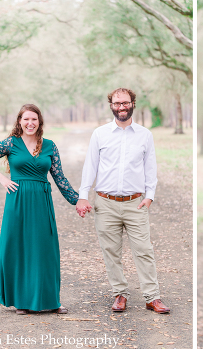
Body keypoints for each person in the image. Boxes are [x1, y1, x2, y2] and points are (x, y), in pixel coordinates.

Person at [75, 88, 169, 314]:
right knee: (111, 251)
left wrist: (149, 196)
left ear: (133, 103)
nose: (122, 107)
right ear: (111, 106)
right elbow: (91, 166)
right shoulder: (100, 133)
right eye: (117, 103)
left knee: (144, 250)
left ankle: (152, 297)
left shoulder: (145, 135)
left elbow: (150, 167)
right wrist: (82, 195)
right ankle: (120, 294)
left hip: (135, 203)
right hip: (105, 203)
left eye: (125, 103)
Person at [0, 104, 78, 315]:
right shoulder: (10, 143)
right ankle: (21, 301)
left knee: (44, 249)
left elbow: (59, 178)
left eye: (34, 119)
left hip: (41, 203)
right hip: (17, 201)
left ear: (40, 122)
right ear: (19, 121)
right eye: (26, 119)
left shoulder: (50, 146)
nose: (30, 123)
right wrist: (1, 178)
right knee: (17, 247)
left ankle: (52, 300)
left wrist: (77, 200)